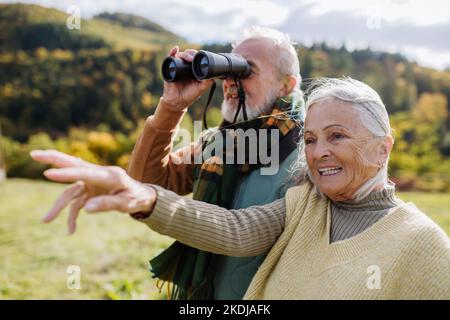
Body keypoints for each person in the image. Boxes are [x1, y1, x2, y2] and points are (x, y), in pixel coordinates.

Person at [31, 77, 450, 299]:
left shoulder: (423, 245)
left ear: (383, 149)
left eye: (337, 136)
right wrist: (145, 197)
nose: (319, 152)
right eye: (311, 140)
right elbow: (234, 229)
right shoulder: (305, 202)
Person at [126, 26, 305, 299]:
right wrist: (171, 107)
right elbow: (144, 183)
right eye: (227, 70)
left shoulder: (311, 149)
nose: (231, 82)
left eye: (246, 70)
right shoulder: (216, 143)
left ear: (286, 84)